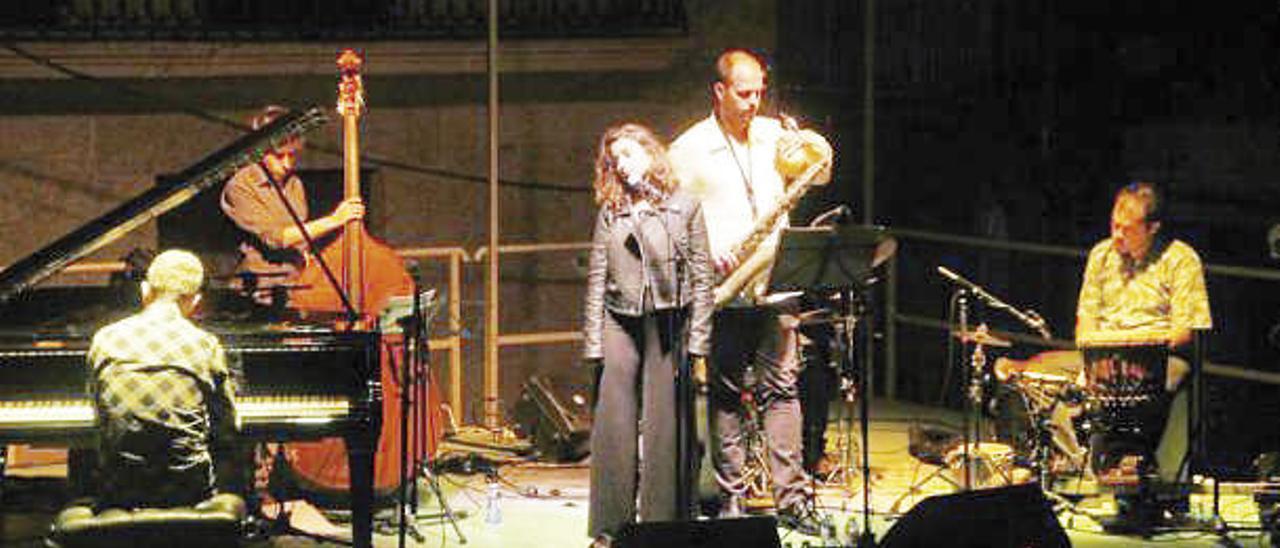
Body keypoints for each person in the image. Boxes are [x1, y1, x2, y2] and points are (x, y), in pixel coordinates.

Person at [668, 48, 832, 535]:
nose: (754, 102)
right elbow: (675, 221)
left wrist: (808, 143)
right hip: (726, 287)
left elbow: (818, 173)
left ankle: (792, 499)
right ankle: (731, 501)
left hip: (776, 284)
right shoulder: (689, 149)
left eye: (760, 91)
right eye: (744, 93)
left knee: (784, 390)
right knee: (725, 395)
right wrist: (709, 252)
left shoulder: (772, 136)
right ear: (719, 92)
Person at [583, 122, 714, 547]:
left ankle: (660, 525)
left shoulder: (684, 206)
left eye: (629, 155)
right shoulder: (612, 209)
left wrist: (698, 341)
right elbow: (598, 275)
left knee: (665, 426)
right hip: (620, 319)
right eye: (615, 159)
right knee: (613, 422)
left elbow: (701, 277)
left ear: (650, 155)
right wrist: (593, 342)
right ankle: (610, 527)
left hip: (668, 319)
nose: (622, 165)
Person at [1075, 181, 1211, 527]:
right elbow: (1084, 322)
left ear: (1152, 228)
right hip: (1105, 353)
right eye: (1114, 225)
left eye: (1127, 229)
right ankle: (1095, 473)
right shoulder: (1101, 256)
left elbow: (1185, 330)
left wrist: (1138, 343)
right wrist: (1099, 348)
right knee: (1066, 386)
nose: (1117, 235)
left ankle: (1142, 482)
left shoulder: (1180, 259)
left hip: (1159, 353)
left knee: (1149, 384)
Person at [88, 249, 237, 509]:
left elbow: (99, 417)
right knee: (233, 456)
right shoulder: (205, 345)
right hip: (187, 490)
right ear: (195, 301)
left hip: (120, 490)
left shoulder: (104, 338)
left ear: (145, 291)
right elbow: (228, 425)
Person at [220, 104, 365, 302]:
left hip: (295, 286)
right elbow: (278, 238)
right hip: (259, 294)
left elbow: (300, 236)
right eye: (279, 156)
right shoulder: (240, 186)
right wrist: (335, 220)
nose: (287, 164)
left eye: (293, 155)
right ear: (260, 152)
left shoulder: (294, 183)